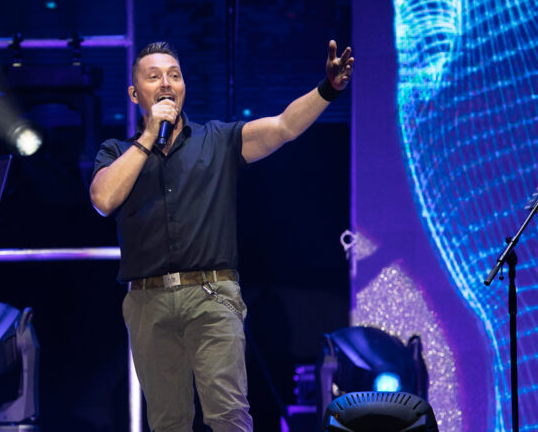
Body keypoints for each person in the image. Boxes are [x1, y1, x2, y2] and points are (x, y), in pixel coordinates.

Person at [90, 40, 353, 432]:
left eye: (174, 75)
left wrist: (328, 88)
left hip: (211, 295)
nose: (166, 83)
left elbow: (283, 126)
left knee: (228, 415)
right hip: (148, 301)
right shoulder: (117, 151)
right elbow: (103, 199)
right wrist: (148, 137)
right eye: (154, 77)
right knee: (167, 422)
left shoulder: (217, 139)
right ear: (134, 94)